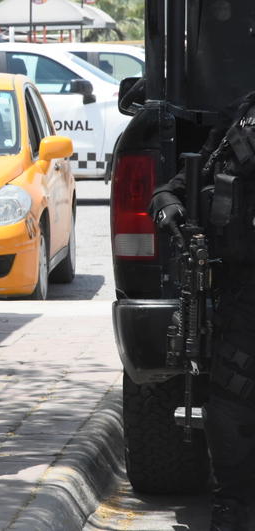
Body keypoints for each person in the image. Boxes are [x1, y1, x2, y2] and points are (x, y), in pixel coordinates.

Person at [150, 94, 255, 530]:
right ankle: (231, 501)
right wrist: (167, 200)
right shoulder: (246, 116)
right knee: (231, 394)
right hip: (245, 286)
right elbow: (182, 184)